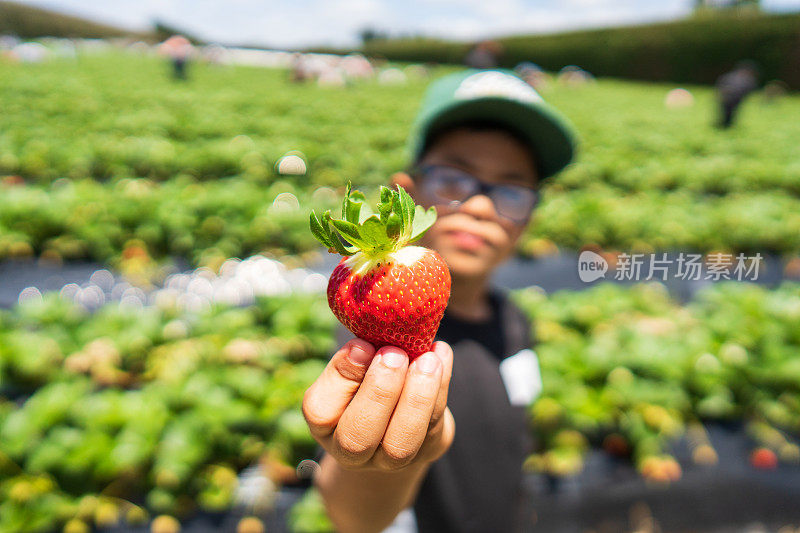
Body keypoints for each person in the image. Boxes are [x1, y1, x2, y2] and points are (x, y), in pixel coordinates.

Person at [302, 69, 576, 533]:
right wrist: (386, 462)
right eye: (454, 179)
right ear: (405, 195)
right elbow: (355, 517)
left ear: (527, 219)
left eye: (511, 190)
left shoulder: (514, 321)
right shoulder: (367, 332)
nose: (482, 206)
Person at [715, 61, 759, 128]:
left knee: (726, 111)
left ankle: (725, 124)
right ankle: (726, 124)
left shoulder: (730, 76)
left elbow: (721, 83)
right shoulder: (747, 79)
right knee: (729, 112)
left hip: (730, 97)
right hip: (734, 97)